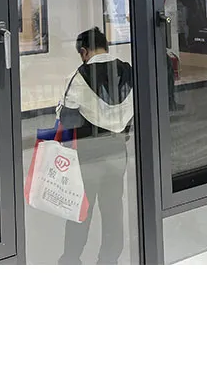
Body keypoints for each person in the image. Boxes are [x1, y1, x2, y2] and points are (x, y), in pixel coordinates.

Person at [56, 27, 134, 265]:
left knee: (81, 208)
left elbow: (67, 119)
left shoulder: (79, 76)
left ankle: (71, 259)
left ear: (84, 51)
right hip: (117, 150)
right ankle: (109, 260)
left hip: (88, 153)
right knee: (113, 209)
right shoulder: (129, 71)